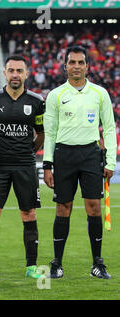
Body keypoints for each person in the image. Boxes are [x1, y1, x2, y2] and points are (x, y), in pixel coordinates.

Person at [43, 46, 116, 279]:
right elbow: (50, 132)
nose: (76, 66)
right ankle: (57, 263)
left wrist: (111, 161)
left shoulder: (100, 93)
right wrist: (47, 165)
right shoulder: (55, 95)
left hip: (91, 155)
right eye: (72, 62)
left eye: (80, 62)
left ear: (87, 66)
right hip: (64, 156)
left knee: (94, 207)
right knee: (63, 208)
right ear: (65, 66)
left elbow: (110, 128)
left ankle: (97, 263)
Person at [0, 55, 45, 280]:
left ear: (26, 74)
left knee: (29, 213)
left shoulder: (36, 101)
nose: (15, 75)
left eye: (19, 71)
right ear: (4, 73)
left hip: (25, 165)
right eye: (11, 70)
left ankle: (31, 266)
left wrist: (30, 152)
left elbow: (41, 133)